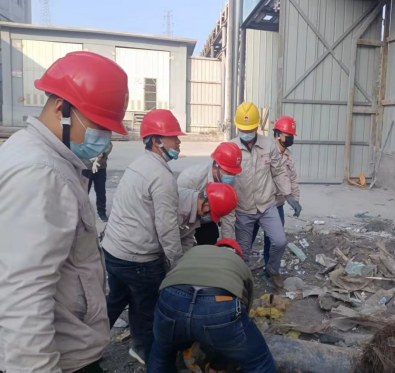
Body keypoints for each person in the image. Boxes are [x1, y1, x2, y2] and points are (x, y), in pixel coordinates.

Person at [0, 51, 129, 373]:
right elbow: (23, 295)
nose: (105, 139)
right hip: (64, 359)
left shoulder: (40, 155)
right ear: (62, 109)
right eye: (99, 125)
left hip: (70, 343)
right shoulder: (41, 173)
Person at [102, 109, 185, 364]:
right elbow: (167, 228)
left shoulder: (138, 164)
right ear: (156, 141)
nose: (178, 142)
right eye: (173, 137)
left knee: (116, 300)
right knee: (148, 310)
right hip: (138, 259)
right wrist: (177, 264)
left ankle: (86, 348)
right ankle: (150, 357)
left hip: (113, 251)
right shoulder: (161, 176)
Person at [147, 240, 277, 373]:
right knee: (260, 362)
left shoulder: (195, 251)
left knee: (161, 356)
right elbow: (245, 306)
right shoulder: (239, 263)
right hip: (219, 305)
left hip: (171, 298)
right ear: (238, 254)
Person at [231, 102, 301, 288]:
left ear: (256, 127)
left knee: (280, 241)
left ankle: (272, 269)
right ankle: (242, 281)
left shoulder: (268, 145)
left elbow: (279, 171)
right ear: (237, 126)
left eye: (250, 129)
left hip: (267, 205)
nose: (247, 132)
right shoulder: (230, 147)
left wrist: (288, 194)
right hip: (244, 208)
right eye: (243, 129)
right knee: (243, 251)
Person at [252, 116, 301, 267]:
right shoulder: (264, 151)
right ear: (278, 134)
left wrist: (295, 200)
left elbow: (293, 179)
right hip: (256, 204)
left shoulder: (288, 156)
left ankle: (270, 271)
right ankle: (239, 268)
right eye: (288, 135)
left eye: (292, 135)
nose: (290, 138)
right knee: (247, 239)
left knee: (274, 241)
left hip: (277, 204)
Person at [177, 142, 242, 246]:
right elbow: (177, 207)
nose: (231, 177)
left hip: (208, 220)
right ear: (215, 167)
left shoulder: (233, 184)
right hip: (184, 219)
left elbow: (228, 215)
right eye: (228, 172)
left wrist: (227, 243)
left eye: (234, 173)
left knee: (209, 244)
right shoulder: (191, 178)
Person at [83, 142, 113, 222]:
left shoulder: (103, 135)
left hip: (100, 166)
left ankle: (101, 212)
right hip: (86, 166)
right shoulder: (82, 134)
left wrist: (103, 153)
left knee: (101, 191)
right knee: (84, 191)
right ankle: (82, 212)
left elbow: (109, 145)